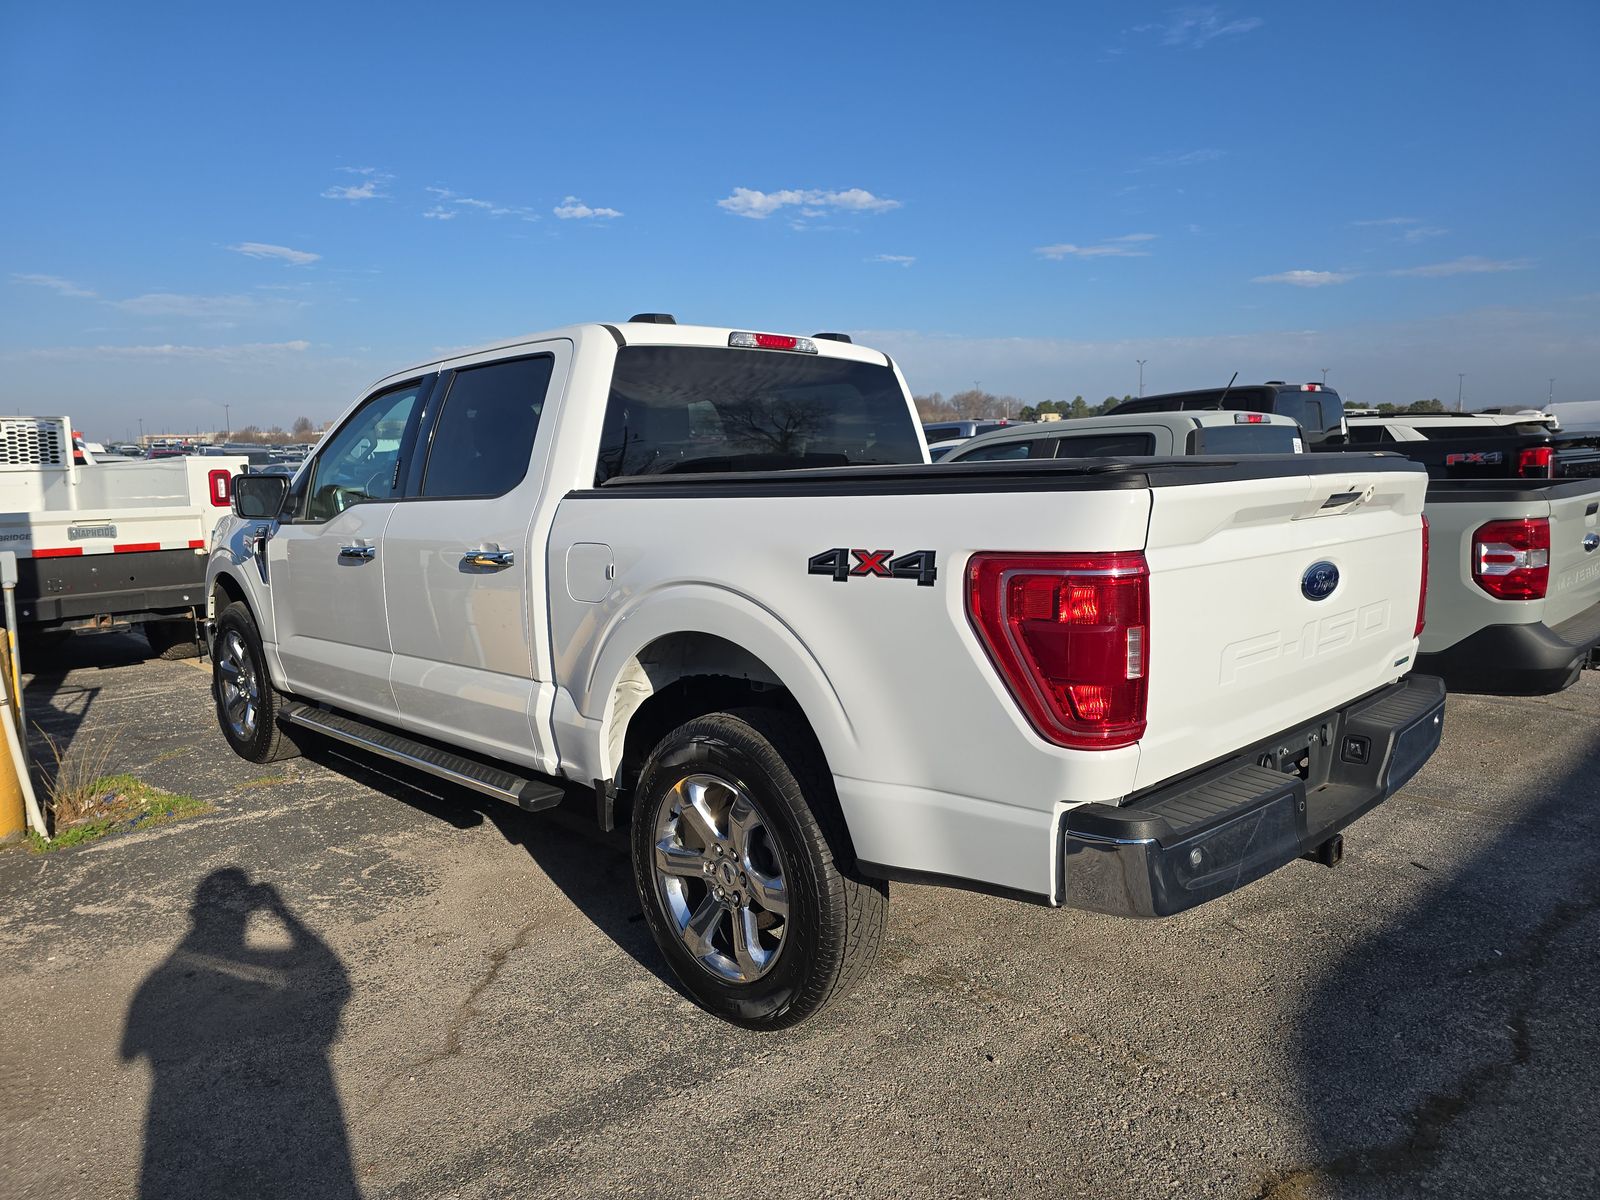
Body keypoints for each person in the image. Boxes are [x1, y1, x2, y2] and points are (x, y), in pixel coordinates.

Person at [121, 868, 359, 1199]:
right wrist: (281, 911)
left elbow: (130, 1051)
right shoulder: (160, 981)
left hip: (183, 1122)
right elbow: (336, 977)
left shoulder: (154, 984)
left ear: (195, 912)